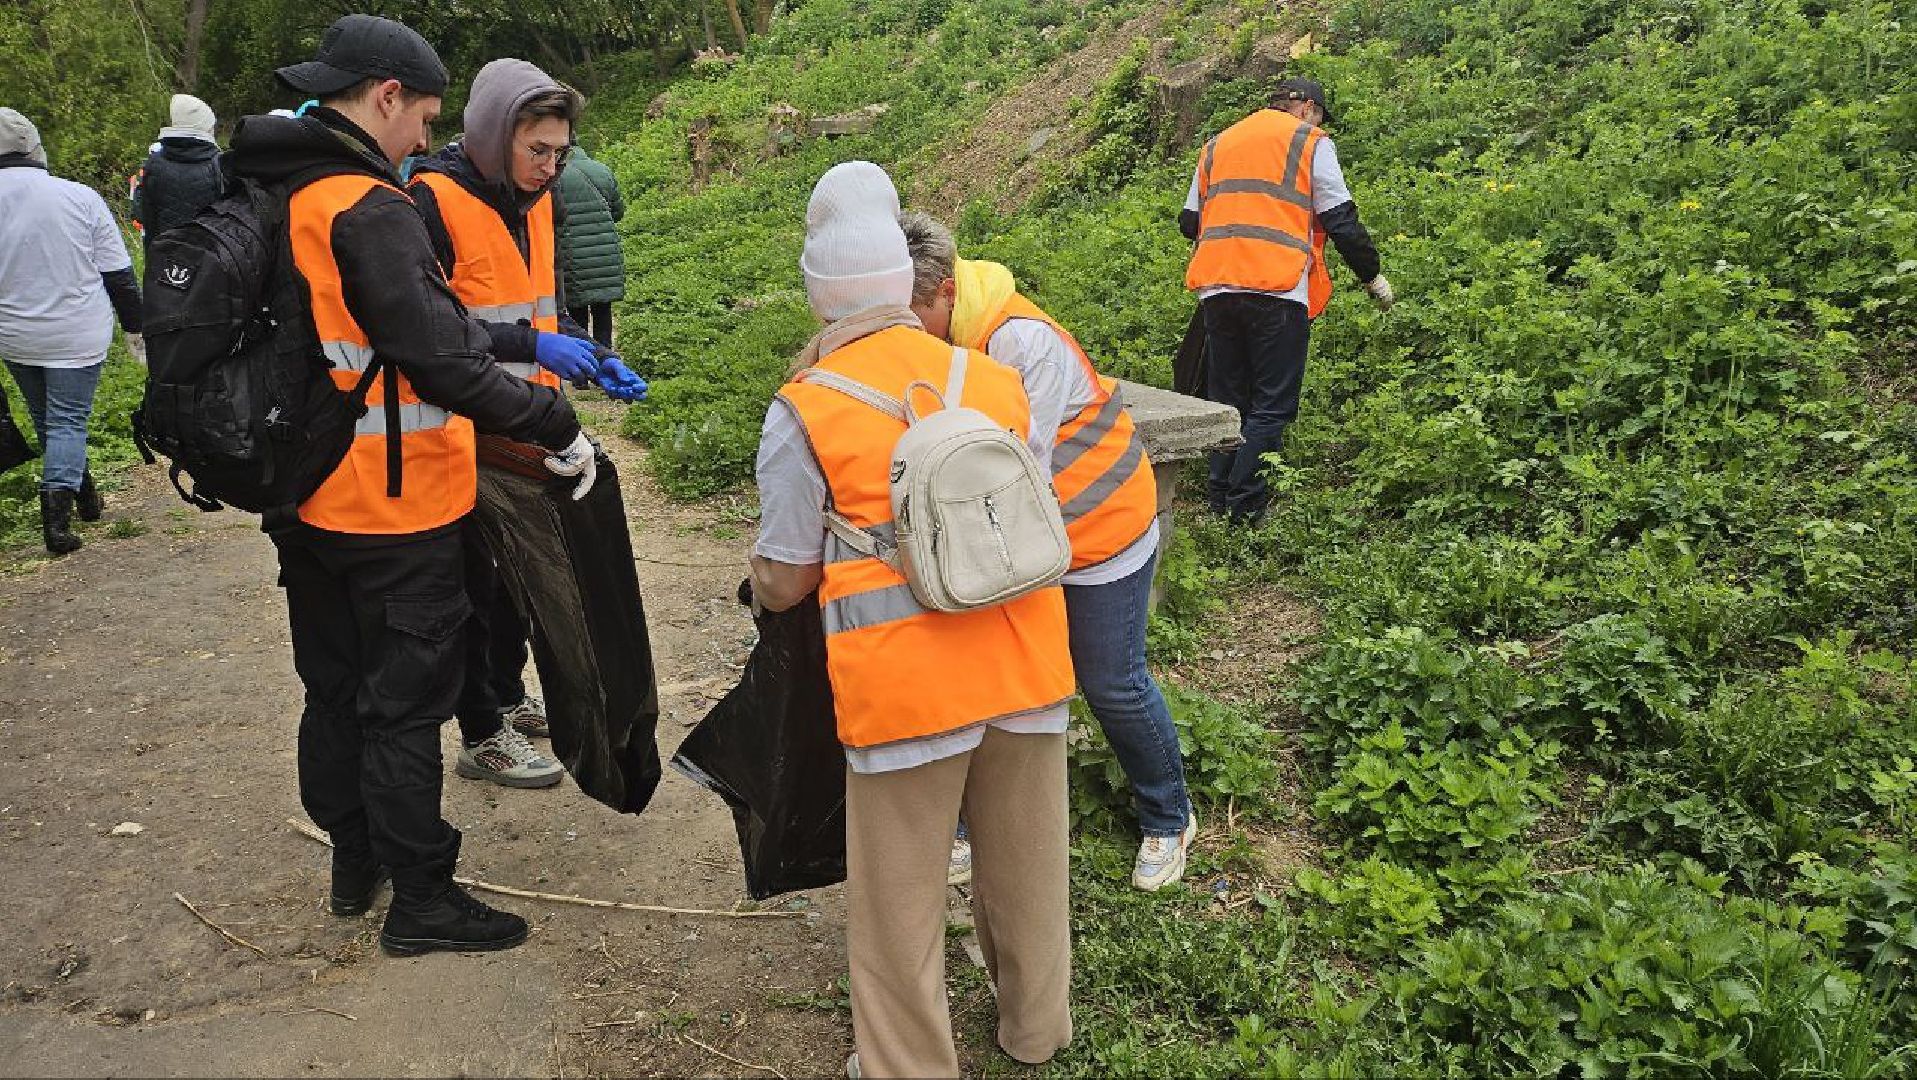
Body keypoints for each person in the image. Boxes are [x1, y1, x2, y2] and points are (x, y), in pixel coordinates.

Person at [227, 13, 598, 955]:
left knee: (333, 688)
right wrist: (552, 419)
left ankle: (357, 865)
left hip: (303, 494)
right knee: (403, 709)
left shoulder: (279, 190)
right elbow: (442, 360)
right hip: (392, 507)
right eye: (422, 116)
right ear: (385, 98)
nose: (425, 139)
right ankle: (424, 901)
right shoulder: (369, 205)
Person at [751, 161, 1076, 1078]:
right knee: (1027, 871)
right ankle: (1035, 1032)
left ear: (819, 298)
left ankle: (906, 1066)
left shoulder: (805, 408)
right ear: (905, 285)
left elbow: (784, 577)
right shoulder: (992, 377)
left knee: (898, 904)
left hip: (903, 692)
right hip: (1024, 663)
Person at [899, 212, 1197, 891]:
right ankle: (970, 824)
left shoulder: (1019, 343)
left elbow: (1009, 469)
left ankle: (1167, 814)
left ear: (945, 291)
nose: (908, 333)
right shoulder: (946, 340)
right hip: (1022, 544)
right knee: (992, 680)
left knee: (1110, 682)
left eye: (915, 315)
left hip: (1097, 533)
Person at [409, 58, 647, 789]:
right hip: (458, 428)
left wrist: (579, 349)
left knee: (520, 578)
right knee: (473, 586)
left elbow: (544, 301)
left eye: (559, 152)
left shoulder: (539, 202)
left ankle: (508, 698)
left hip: (527, 424)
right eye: (535, 149)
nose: (549, 166)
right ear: (491, 133)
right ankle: (480, 731)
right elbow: (431, 332)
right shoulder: (429, 201)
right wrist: (532, 344)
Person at [1181, 77, 1392, 526]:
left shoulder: (1218, 143)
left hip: (1217, 288)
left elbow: (1188, 221)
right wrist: (1372, 277)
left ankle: (1217, 502)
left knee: (1229, 398)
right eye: (1319, 115)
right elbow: (1340, 218)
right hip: (1277, 287)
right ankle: (1246, 508)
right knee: (1271, 405)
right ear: (1308, 109)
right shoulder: (1310, 142)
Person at [0, 108, 142, 555]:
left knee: (50, 420)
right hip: (75, 330)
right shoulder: (78, 197)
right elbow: (119, 275)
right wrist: (137, 328)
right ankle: (57, 520)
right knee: (66, 421)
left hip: (14, 333)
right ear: (33, 145)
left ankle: (85, 497)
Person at [130, 94, 225, 254]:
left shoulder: (154, 164)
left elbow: (147, 218)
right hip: (209, 261)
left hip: (164, 259)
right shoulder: (220, 164)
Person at [556, 142, 625, 348]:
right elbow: (618, 212)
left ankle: (582, 372)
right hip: (606, 255)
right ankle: (606, 365)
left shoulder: (555, 177)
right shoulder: (602, 170)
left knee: (577, 314)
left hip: (572, 256)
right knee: (603, 311)